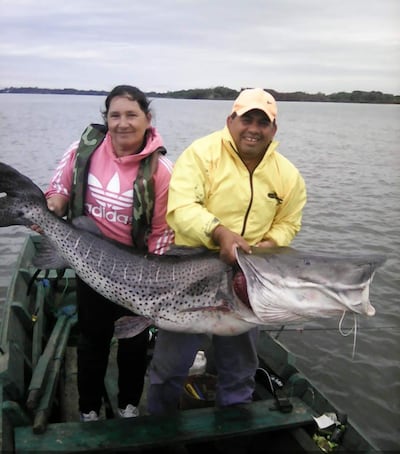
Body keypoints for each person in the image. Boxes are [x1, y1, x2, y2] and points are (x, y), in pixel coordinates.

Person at [147, 88, 307, 414]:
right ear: (230, 120)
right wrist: (219, 232)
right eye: (247, 119)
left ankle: (233, 427)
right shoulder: (201, 154)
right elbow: (181, 207)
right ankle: (158, 424)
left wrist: (270, 244)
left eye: (263, 122)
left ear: (274, 129)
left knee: (240, 369)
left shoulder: (288, 175)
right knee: (170, 366)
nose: (254, 129)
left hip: (246, 278)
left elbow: (289, 221)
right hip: (191, 269)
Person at [43, 85, 174, 421]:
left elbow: (163, 232)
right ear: (106, 118)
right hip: (90, 263)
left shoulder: (162, 171)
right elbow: (59, 189)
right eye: (115, 115)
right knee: (92, 339)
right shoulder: (82, 151)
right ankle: (88, 408)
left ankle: (129, 404)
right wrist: (52, 207)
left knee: (134, 342)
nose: (122, 123)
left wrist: (154, 282)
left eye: (132, 115)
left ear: (148, 119)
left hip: (138, 274)